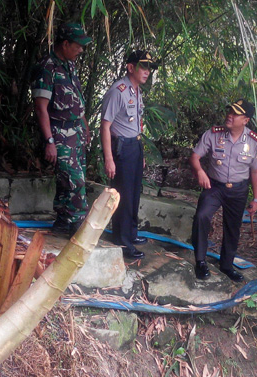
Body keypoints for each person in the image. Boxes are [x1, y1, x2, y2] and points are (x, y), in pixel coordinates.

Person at [190, 99, 257, 282]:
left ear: (245, 120)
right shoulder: (213, 134)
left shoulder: (254, 141)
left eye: (235, 113)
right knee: (202, 216)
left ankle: (226, 265)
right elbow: (194, 156)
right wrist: (200, 171)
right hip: (214, 186)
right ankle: (200, 261)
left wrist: (256, 199)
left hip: (238, 190)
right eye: (229, 111)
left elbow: (256, 172)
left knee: (233, 228)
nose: (229, 115)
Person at [31, 22, 92, 237]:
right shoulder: (47, 67)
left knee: (69, 181)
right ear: (65, 44)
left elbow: (76, 99)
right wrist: (49, 142)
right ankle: (78, 230)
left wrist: (84, 126)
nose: (81, 50)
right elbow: (40, 108)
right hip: (59, 135)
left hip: (76, 133)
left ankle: (62, 224)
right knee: (76, 182)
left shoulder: (69, 65)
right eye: (78, 46)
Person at [100, 50, 158, 259]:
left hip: (134, 146)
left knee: (133, 193)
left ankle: (131, 234)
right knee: (123, 195)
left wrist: (140, 153)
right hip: (121, 148)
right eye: (143, 67)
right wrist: (109, 158)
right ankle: (123, 242)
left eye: (149, 68)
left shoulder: (136, 91)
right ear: (131, 67)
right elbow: (105, 126)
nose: (147, 72)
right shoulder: (119, 90)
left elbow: (135, 124)